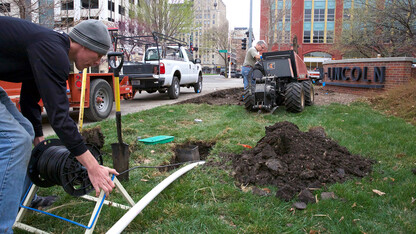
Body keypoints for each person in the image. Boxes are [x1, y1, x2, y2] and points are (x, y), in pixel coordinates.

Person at [0, 17, 119, 233]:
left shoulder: (49, 48)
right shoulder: (54, 52)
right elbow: (60, 119)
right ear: (83, 44)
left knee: (25, 133)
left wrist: (38, 136)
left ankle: (23, 198)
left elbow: (29, 99)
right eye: (98, 54)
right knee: (15, 142)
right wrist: (92, 167)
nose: (98, 61)